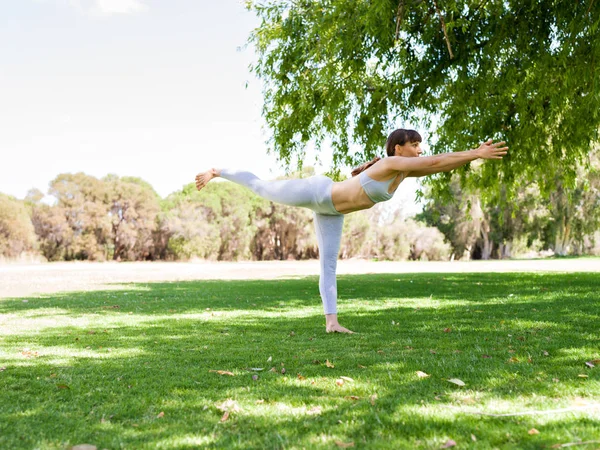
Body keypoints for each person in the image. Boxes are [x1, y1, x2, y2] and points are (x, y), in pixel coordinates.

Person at [195, 129, 508, 333]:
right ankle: (218, 170)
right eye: (414, 145)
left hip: (332, 210)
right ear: (399, 148)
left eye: (419, 147)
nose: (419, 151)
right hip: (319, 192)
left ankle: (332, 323)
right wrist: (475, 153)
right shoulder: (390, 164)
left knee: (329, 265)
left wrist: (470, 157)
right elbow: (436, 160)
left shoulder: (400, 174)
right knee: (264, 188)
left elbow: (437, 165)